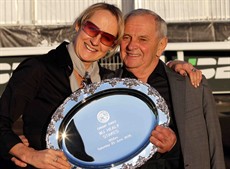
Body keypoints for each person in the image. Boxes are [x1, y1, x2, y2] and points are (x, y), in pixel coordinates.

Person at [0, 2, 201, 169]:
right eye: (92, 29)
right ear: (79, 25)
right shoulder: (40, 69)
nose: (95, 41)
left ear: (112, 46)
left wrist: (173, 65)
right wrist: (26, 153)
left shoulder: (110, 82)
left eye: (106, 37)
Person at [113, 8, 225, 169]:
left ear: (161, 45)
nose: (132, 45)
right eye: (126, 37)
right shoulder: (106, 85)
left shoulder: (192, 86)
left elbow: (215, 149)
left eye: (143, 39)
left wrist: (174, 147)